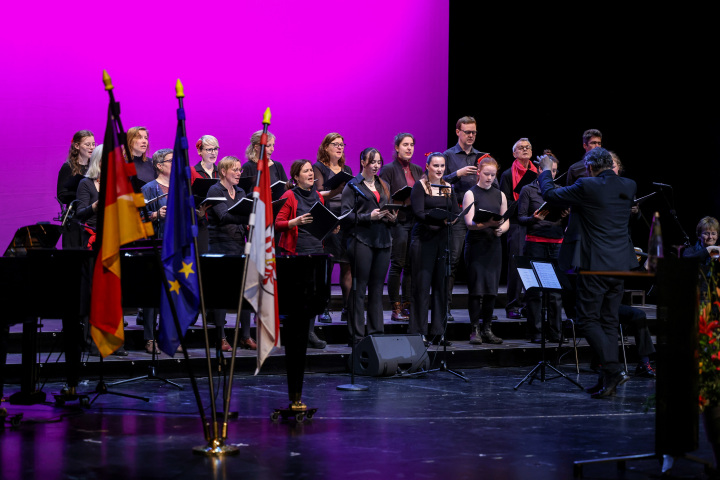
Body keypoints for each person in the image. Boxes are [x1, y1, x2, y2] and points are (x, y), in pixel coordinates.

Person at [539, 147, 638, 398]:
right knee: (608, 321)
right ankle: (609, 378)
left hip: (595, 264)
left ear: (591, 168)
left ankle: (613, 370)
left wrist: (546, 171)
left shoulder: (587, 185)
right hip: (620, 264)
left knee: (587, 320)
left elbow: (550, 194)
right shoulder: (629, 185)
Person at [75, 145, 129, 356]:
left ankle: (115, 342)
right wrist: (97, 206)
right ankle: (93, 342)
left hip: (115, 243)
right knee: (93, 295)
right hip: (93, 245)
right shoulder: (86, 184)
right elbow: (80, 214)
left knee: (114, 295)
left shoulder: (119, 184)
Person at [340, 148, 397, 345]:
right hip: (361, 240)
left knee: (376, 289)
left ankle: (376, 333)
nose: (376, 165)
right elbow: (345, 216)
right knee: (359, 288)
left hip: (383, 240)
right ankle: (356, 335)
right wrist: (368, 217)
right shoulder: (352, 186)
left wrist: (391, 217)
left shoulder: (384, 185)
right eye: (372, 161)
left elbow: (388, 208)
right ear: (363, 162)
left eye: (379, 162)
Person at [275, 160, 327, 349]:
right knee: (296, 296)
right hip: (296, 251)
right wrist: (295, 221)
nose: (311, 174)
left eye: (311, 170)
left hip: (316, 250)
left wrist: (332, 228)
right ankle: (295, 333)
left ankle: (310, 332)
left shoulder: (319, 197)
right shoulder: (290, 195)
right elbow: (278, 223)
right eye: (306, 171)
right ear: (296, 177)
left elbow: (321, 223)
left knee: (313, 295)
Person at [206, 156, 256, 351]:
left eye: (240, 170)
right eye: (234, 170)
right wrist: (247, 216)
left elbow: (244, 215)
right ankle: (221, 337)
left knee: (244, 293)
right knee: (221, 294)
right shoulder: (215, 190)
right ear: (223, 172)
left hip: (238, 244)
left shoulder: (241, 191)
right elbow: (224, 216)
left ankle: (245, 336)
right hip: (219, 246)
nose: (238, 173)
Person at [517, 151, 567, 343]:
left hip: (556, 243)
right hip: (536, 242)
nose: (552, 174)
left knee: (555, 292)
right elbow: (520, 218)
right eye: (549, 170)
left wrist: (564, 213)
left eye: (554, 171)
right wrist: (533, 218)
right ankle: (536, 332)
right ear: (539, 170)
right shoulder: (528, 190)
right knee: (535, 291)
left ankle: (556, 332)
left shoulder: (559, 189)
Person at [409, 153, 458, 345]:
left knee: (441, 287)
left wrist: (450, 219)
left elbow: (454, 210)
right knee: (421, 287)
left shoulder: (448, 187)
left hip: (442, 240)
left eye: (442, 166)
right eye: (435, 165)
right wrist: (438, 218)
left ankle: (438, 332)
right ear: (427, 166)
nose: (439, 169)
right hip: (424, 239)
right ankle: (418, 332)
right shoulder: (420, 186)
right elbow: (419, 212)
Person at [443, 116, 487, 320]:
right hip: (458, 213)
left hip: (479, 213)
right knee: (452, 261)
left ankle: (479, 312)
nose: (471, 136)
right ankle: (445, 308)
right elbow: (438, 181)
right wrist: (457, 174)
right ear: (457, 132)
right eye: (467, 132)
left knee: (479, 263)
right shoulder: (448, 156)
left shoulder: (482, 156)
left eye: (474, 132)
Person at [463, 155, 509, 345]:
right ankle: (474, 330)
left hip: (493, 246)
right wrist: (487, 223)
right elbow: (469, 223)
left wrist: (500, 228)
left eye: (493, 175)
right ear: (479, 173)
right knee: (476, 289)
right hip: (476, 245)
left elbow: (506, 220)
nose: (489, 178)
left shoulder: (500, 194)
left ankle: (487, 328)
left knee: (491, 290)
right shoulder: (471, 194)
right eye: (486, 174)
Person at [379, 133, 423, 321]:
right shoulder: (388, 169)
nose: (409, 148)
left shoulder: (418, 169)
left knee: (412, 266)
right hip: (398, 221)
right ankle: (395, 307)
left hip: (415, 221)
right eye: (405, 144)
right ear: (397, 147)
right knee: (398, 264)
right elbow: (384, 195)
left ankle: (408, 304)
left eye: (412, 144)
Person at [313, 133, 353, 324]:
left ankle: (347, 307)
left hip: (346, 221)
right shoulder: (319, 167)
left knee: (347, 266)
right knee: (327, 269)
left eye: (342, 144)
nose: (339, 147)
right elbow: (319, 194)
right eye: (335, 144)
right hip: (328, 221)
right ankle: (323, 308)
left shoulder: (347, 169)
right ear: (326, 147)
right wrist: (336, 191)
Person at [499, 138, 537, 319]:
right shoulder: (507, 174)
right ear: (514, 153)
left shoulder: (538, 173)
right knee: (516, 265)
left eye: (528, 147)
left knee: (533, 265)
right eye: (521, 148)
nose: (525, 150)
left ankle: (531, 305)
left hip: (536, 222)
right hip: (516, 223)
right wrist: (524, 203)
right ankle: (512, 305)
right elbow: (504, 201)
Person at [139, 149, 173, 354]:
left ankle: (168, 337)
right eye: (171, 161)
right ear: (159, 165)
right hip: (155, 245)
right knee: (152, 294)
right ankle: (150, 338)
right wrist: (154, 214)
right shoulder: (148, 189)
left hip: (174, 246)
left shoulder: (179, 187)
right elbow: (138, 219)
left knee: (171, 294)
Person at [57, 130, 95, 249]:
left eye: (93, 144)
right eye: (87, 144)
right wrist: (82, 194)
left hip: (92, 220)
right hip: (75, 220)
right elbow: (62, 195)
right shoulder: (68, 167)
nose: (91, 148)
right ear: (77, 146)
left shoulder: (95, 167)